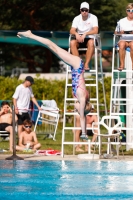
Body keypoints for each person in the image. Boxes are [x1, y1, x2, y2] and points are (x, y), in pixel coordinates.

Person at [17, 30, 93, 140]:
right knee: (51, 45)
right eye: (78, 109)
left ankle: (30, 36)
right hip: (77, 66)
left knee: (52, 47)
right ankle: (30, 35)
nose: (76, 109)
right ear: (83, 107)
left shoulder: (80, 96)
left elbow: (82, 113)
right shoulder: (82, 97)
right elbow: (82, 116)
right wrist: (84, 133)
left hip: (76, 66)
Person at [70, 2, 98, 70]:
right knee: (72, 43)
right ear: (80, 10)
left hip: (89, 38)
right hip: (79, 39)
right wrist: (76, 34)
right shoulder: (76, 18)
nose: (84, 12)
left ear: (88, 10)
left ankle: (86, 64)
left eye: (86, 10)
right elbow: (72, 30)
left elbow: (95, 30)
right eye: (83, 10)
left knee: (91, 43)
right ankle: (78, 64)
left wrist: (85, 34)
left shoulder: (93, 17)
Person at [115, 3, 133, 71]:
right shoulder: (121, 21)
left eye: (132, 11)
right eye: (129, 10)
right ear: (126, 11)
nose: (131, 12)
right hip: (123, 39)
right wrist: (120, 32)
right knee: (122, 44)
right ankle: (122, 64)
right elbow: (115, 32)